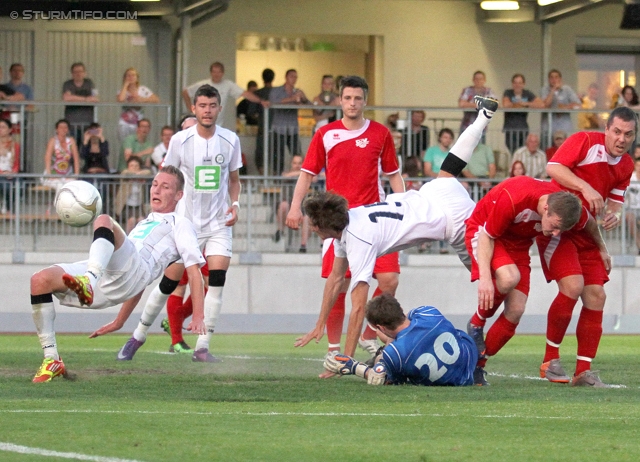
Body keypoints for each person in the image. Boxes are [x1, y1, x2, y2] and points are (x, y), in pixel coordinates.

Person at [294, 96, 500, 369]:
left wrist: (347, 360)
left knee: (494, 279)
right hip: (435, 191)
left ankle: (478, 327)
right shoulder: (348, 223)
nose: (310, 226)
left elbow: (357, 308)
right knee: (451, 167)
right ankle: (483, 116)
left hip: (453, 221)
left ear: (321, 226)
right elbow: (334, 279)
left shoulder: (358, 239)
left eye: (312, 222)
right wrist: (318, 324)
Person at [29, 166, 206, 383]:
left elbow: (193, 270)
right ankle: (51, 359)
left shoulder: (181, 224)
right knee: (40, 281)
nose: (156, 190)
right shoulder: (144, 223)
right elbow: (138, 282)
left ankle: (88, 282)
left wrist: (198, 315)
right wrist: (119, 321)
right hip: (111, 275)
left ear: (179, 195)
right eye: (155, 185)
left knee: (104, 220)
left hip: (126, 271)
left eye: (165, 186)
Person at [285, 75, 405, 375]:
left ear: (365, 101)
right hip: (338, 224)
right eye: (347, 98)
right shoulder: (325, 134)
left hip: (376, 221)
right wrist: (295, 207)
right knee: (338, 288)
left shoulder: (380, 133)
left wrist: (405, 209)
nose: (352, 103)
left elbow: (392, 175)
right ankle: (334, 354)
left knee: (389, 280)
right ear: (340, 100)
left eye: (357, 98)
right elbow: (307, 174)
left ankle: (367, 336)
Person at [117, 84, 242, 363]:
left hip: (219, 223)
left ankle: (203, 346)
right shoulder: (180, 141)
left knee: (217, 281)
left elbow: (234, 181)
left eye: (212, 106)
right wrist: (162, 209)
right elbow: (167, 177)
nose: (207, 111)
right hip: (185, 223)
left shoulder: (231, 140)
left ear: (219, 109)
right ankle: (137, 335)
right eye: (202, 106)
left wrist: (235, 206)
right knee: (167, 282)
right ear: (194, 109)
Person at [464, 176, 601, 385]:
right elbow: (486, 236)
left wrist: (602, 247)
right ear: (545, 208)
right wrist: (484, 279)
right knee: (509, 277)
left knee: (516, 310)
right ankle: (476, 323)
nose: (555, 234)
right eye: (554, 226)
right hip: (485, 234)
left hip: (518, 245)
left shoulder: (565, 207)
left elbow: (589, 222)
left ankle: (476, 366)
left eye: (560, 230)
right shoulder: (514, 197)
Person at [535, 106, 636, 387]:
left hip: (588, 232)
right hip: (560, 226)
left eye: (628, 134)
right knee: (572, 286)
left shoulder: (626, 165)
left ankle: (583, 372)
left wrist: (613, 214)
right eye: (616, 131)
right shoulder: (585, 141)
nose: (621, 138)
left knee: (597, 297)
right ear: (606, 129)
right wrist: (586, 188)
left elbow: (614, 202)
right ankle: (549, 361)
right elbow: (553, 167)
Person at [323, 293, 477, 386]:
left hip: (455, 381)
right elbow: (409, 326)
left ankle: (380, 354)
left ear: (381, 328)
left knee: (386, 362)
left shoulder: (395, 353)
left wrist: (354, 367)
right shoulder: (428, 312)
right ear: (400, 310)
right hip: (470, 356)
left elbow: (378, 378)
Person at [182, 61, 263, 129]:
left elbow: (245, 94)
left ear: (223, 73)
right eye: (214, 72)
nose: (216, 74)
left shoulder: (228, 84)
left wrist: (261, 101)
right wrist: (191, 109)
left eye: (219, 72)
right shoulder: (203, 84)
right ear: (211, 73)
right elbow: (186, 92)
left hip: (217, 125)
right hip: (201, 125)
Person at [268, 69, 310, 175]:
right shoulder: (277, 90)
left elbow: (310, 105)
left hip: (293, 128)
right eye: (292, 76)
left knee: (297, 154)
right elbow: (273, 101)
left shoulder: (297, 91)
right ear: (286, 77)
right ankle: (277, 180)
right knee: (278, 157)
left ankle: (300, 177)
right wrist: (292, 98)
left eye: (295, 77)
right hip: (279, 128)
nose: (294, 79)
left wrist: (303, 98)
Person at [274, 154, 311, 253]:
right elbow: (284, 176)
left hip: (303, 206)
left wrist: (300, 174)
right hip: (288, 203)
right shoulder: (287, 173)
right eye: (295, 163)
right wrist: (301, 174)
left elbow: (315, 178)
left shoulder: (306, 174)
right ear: (291, 164)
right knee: (283, 205)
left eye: (299, 163)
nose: (297, 165)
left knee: (307, 218)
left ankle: (303, 245)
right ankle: (280, 230)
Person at [502, 73, 544, 154]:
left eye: (520, 83)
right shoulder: (508, 92)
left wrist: (526, 103)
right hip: (510, 128)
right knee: (513, 152)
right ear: (512, 84)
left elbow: (541, 104)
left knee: (524, 151)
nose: (517, 85)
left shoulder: (527, 93)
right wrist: (517, 104)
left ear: (523, 84)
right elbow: (506, 104)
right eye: (515, 82)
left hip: (523, 128)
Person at [117, 67, 160, 141]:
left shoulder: (143, 89)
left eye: (133, 75)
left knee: (138, 142)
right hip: (124, 122)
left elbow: (156, 99)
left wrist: (142, 99)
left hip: (138, 122)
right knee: (124, 143)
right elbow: (120, 99)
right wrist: (125, 85)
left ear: (137, 77)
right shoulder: (122, 91)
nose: (131, 77)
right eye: (128, 75)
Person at [62, 63, 99, 143]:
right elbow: (66, 98)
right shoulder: (68, 84)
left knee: (88, 147)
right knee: (72, 147)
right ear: (72, 74)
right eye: (75, 72)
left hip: (89, 124)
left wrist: (74, 98)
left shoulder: (89, 83)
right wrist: (85, 99)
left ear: (85, 73)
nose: (78, 74)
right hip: (71, 123)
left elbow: (95, 98)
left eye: (81, 71)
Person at [114, 156, 152, 234]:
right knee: (132, 220)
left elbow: (148, 172)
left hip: (138, 206)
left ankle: (139, 240)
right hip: (126, 206)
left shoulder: (141, 176)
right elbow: (124, 173)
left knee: (141, 220)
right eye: (131, 166)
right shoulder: (125, 175)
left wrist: (138, 175)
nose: (134, 168)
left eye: (136, 166)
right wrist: (136, 174)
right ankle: (129, 239)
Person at [541, 69, 581, 141]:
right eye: (551, 77)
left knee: (566, 147)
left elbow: (578, 105)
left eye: (556, 77)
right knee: (548, 148)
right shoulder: (545, 89)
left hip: (564, 125)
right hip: (549, 125)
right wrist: (553, 89)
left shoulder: (567, 89)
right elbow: (545, 104)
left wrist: (565, 107)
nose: (554, 80)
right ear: (549, 79)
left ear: (560, 79)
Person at [43, 119, 80, 194]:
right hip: (53, 173)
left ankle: (70, 205)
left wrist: (76, 174)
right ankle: (58, 205)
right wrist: (50, 175)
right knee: (59, 185)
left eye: (65, 127)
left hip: (67, 174)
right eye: (61, 127)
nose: (63, 129)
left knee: (73, 186)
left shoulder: (71, 141)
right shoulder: (53, 141)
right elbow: (47, 158)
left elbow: (76, 158)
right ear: (57, 129)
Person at [254, 68, 275, 175]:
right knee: (275, 155)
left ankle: (263, 178)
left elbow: (252, 113)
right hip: (276, 128)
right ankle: (276, 181)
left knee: (260, 157)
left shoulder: (257, 93)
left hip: (262, 127)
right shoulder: (277, 92)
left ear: (262, 78)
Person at [0, 118, 19, 215]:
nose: (0, 129)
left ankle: (10, 210)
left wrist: (13, 172)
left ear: (10, 130)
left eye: (3, 127)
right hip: (1, 174)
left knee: (14, 184)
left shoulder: (15, 145)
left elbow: (16, 163)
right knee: (4, 184)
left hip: (10, 174)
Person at [624, 155, 640, 255]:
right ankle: (639, 246)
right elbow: (623, 195)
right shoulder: (630, 178)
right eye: (638, 165)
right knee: (630, 218)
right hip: (632, 209)